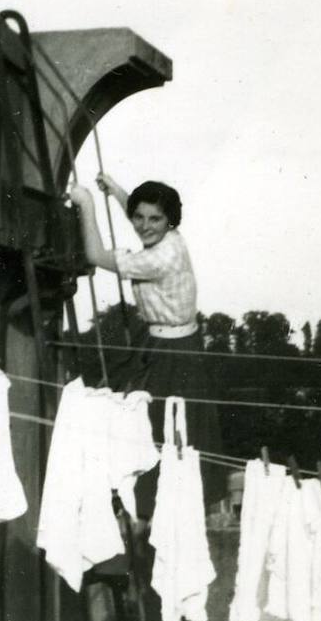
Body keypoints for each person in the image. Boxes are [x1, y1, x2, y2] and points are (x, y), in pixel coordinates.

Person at [70, 175, 226, 518]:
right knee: (140, 418)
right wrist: (115, 191)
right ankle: (138, 501)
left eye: (154, 218)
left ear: (170, 220)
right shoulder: (169, 237)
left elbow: (95, 254)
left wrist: (87, 204)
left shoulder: (161, 258)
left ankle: (153, 511)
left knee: (161, 431)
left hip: (175, 355)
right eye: (139, 216)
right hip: (159, 342)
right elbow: (142, 220)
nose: (144, 226)